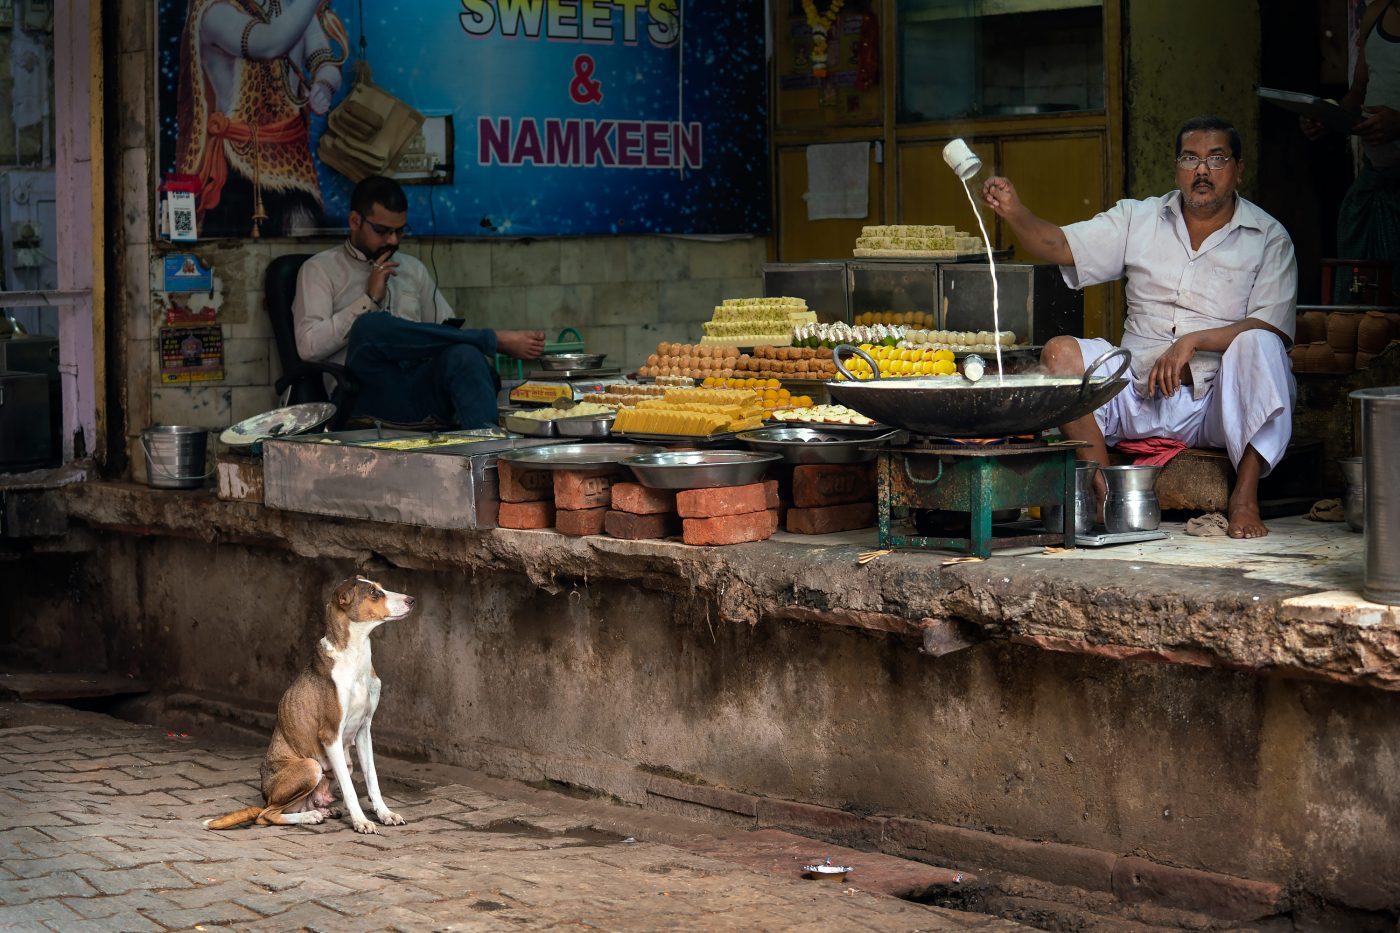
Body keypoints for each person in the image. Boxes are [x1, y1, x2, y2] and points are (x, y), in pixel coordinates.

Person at [981, 115, 1298, 539]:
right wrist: (1015, 212)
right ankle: (1105, 492)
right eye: (1191, 158)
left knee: (1259, 344)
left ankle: (1244, 497)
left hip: (1216, 405)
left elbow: (1273, 326)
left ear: (1238, 170)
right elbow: (1057, 246)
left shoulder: (1267, 236)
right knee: (1060, 354)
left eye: (1216, 159)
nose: (1202, 171)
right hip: (1137, 392)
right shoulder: (1138, 218)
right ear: (1176, 168)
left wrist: (1193, 341)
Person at [293, 175, 545, 429]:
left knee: (464, 353)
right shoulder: (319, 269)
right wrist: (368, 300)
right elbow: (308, 346)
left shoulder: (413, 269)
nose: (392, 240)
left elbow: (445, 332)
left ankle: (487, 456)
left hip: (417, 392)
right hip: (364, 395)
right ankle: (492, 339)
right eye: (382, 231)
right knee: (370, 325)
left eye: (399, 231)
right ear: (355, 221)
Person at [175, 0, 346, 237]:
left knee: (302, 248)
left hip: (293, 165)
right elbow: (268, 43)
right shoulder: (214, 10)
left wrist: (324, 84)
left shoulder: (287, 5)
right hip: (237, 170)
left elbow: (324, 60)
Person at [1301, 0, 1400, 294]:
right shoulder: (1376, 14)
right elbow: (1357, 92)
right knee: (1368, 301)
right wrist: (1327, 118)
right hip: (1378, 183)